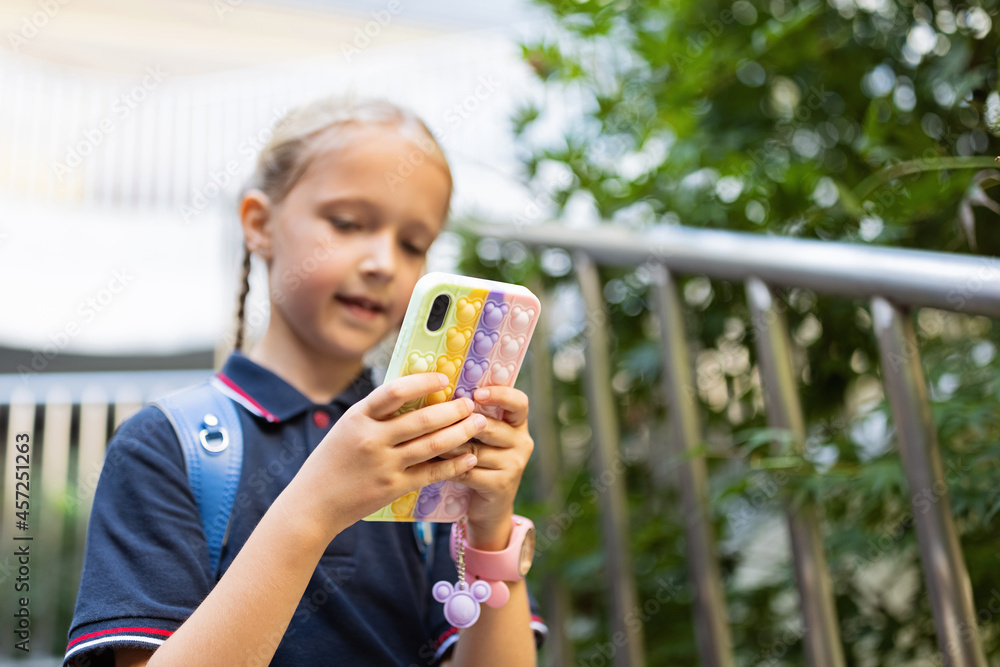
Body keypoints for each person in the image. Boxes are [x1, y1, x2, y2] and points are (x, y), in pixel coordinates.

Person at [63, 97, 546, 666]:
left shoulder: (429, 450)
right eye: (347, 223)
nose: (384, 262)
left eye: (413, 243)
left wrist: (489, 531)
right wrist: (316, 509)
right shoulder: (167, 446)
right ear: (259, 225)